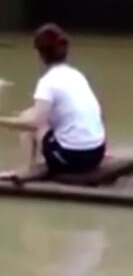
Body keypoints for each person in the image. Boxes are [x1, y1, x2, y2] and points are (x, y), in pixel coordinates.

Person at [0, 24, 106, 176]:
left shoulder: (47, 82)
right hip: (97, 153)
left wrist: (2, 121)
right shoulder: (76, 75)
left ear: (40, 55)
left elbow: (33, 124)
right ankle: (33, 164)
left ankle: (25, 171)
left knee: (29, 126)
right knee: (29, 114)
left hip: (73, 159)